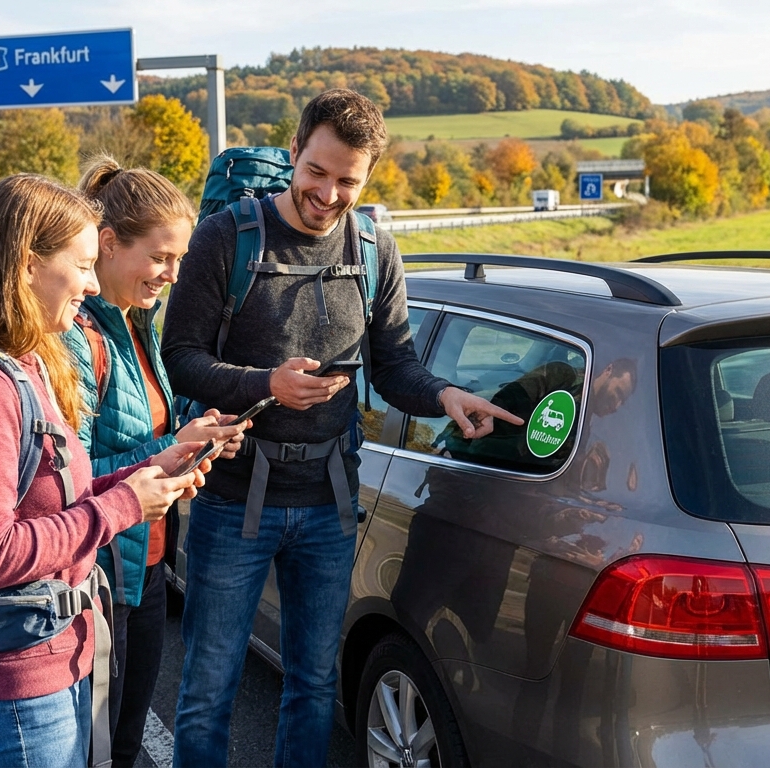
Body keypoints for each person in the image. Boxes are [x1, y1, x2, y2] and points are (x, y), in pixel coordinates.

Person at [162, 88, 521, 767]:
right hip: (233, 498)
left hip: (328, 505)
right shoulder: (226, 238)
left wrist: (443, 393)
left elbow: (394, 367)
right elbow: (180, 361)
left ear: (368, 178)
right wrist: (266, 384)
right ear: (294, 152)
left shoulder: (376, 250)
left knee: (315, 683)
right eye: (316, 172)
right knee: (210, 688)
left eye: (347, 180)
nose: (327, 193)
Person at [0, 173, 210, 768]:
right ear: (27, 266)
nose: (92, 282)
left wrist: (151, 469)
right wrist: (126, 504)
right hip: (12, 685)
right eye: (80, 265)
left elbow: (59, 497)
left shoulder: (24, 362)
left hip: (47, 657)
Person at [65, 156, 248, 768]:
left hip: (142, 563)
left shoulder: (135, 323)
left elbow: (148, 434)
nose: (173, 275)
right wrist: (170, 450)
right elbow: (67, 473)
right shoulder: (75, 333)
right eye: (161, 257)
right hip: (96, 572)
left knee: (121, 743)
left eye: (180, 260)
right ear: (109, 244)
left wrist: (198, 439)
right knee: (97, 746)